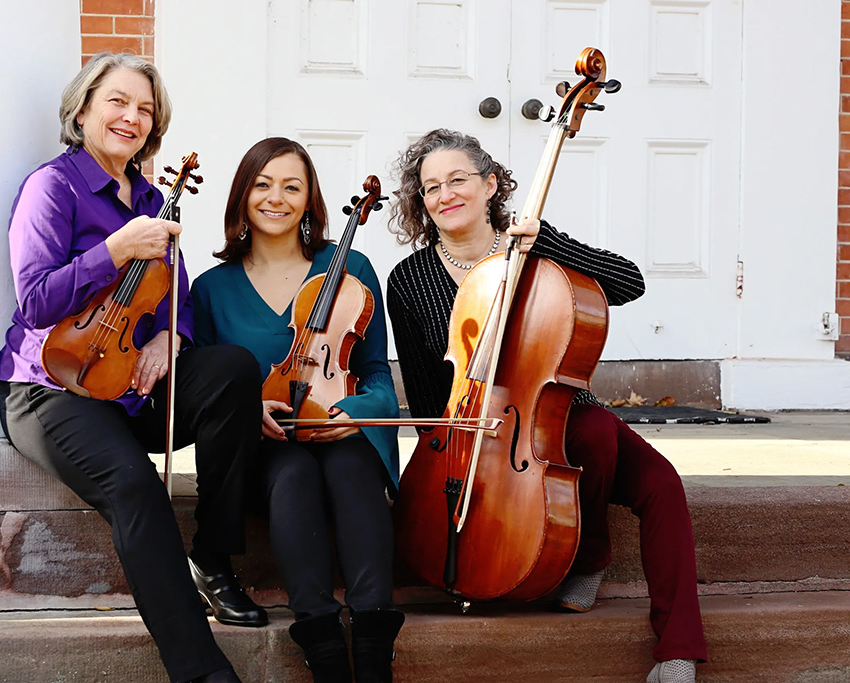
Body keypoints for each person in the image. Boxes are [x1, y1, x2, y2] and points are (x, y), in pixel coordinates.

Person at [384, 129, 707, 683]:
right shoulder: (409, 279)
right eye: (430, 186)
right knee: (597, 437)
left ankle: (673, 645)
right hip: (477, 429)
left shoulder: (536, 246)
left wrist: (545, 245)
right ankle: (575, 555)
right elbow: (425, 391)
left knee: (654, 478)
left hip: (559, 408)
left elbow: (628, 282)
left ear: (490, 184)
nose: (445, 194)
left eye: (458, 179)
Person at [0, 52, 267, 683]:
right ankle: (202, 671)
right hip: (53, 389)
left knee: (231, 370)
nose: (131, 117)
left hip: (132, 388)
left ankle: (215, 559)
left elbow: (178, 295)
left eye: (145, 109)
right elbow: (34, 302)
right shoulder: (51, 188)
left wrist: (173, 337)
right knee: (136, 486)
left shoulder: (152, 198)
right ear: (82, 109)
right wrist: (113, 250)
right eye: (117, 101)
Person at [190, 137, 404, 683]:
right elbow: (206, 387)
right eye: (262, 185)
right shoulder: (211, 289)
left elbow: (377, 370)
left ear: (310, 200)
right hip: (268, 445)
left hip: (341, 430)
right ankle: (325, 649)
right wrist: (248, 407)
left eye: (292, 186)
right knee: (293, 474)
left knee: (353, 467)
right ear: (242, 197)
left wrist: (358, 410)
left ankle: (376, 651)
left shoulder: (348, 265)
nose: (276, 198)